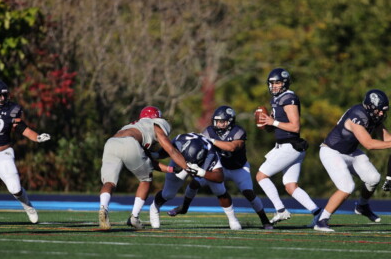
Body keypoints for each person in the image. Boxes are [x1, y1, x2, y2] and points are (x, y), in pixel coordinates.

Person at [167, 106, 273, 229]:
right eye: (217, 121)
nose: (219, 124)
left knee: (248, 193)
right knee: (195, 182)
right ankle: (184, 207)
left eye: (222, 121)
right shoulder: (209, 131)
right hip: (219, 166)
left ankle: (265, 220)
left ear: (230, 121)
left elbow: (232, 147)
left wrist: (211, 140)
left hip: (238, 168)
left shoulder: (238, 131)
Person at [98, 106, 188, 231]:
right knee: (146, 180)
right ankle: (134, 217)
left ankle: (103, 208)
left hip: (111, 142)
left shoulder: (133, 126)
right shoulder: (156, 125)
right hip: (129, 143)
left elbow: (148, 162)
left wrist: (171, 169)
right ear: (155, 118)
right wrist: (186, 167)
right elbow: (171, 150)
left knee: (109, 182)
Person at [315, 89, 391, 232]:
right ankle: (321, 220)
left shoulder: (374, 116)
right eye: (379, 110)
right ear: (369, 106)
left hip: (350, 152)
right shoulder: (358, 115)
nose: (381, 113)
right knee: (347, 187)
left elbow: (387, 139)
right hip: (332, 151)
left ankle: (362, 206)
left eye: (383, 110)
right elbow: (369, 144)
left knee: (373, 178)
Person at [255, 68, 322, 226]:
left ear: (285, 83)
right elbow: (277, 126)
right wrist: (268, 124)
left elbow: (295, 127)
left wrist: (274, 122)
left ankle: (280, 210)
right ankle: (319, 214)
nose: (274, 86)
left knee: (261, 176)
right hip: (288, 147)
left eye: (277, 82)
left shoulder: (289, 98)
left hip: (289, 146)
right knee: (291, 186)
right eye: (271, 83)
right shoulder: (277, 99)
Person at [149, 132, 242, 230]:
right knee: (168, 194)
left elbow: (219, 177)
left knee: (219, 189)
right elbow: (167, 151)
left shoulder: (210, 154)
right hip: (180, 162)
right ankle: (154, 207)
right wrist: (155, 154)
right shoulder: (180, 141)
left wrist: (201, 172)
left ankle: (233, 219)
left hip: (201, 166)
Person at [0, 79, 51, 224]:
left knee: (15, 188)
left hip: (3, 153)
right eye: (0, 95)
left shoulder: (10, 110)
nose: (3, 98)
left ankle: (28, 206)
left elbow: (22, 128)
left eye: (5, 95)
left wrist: (37, 137)